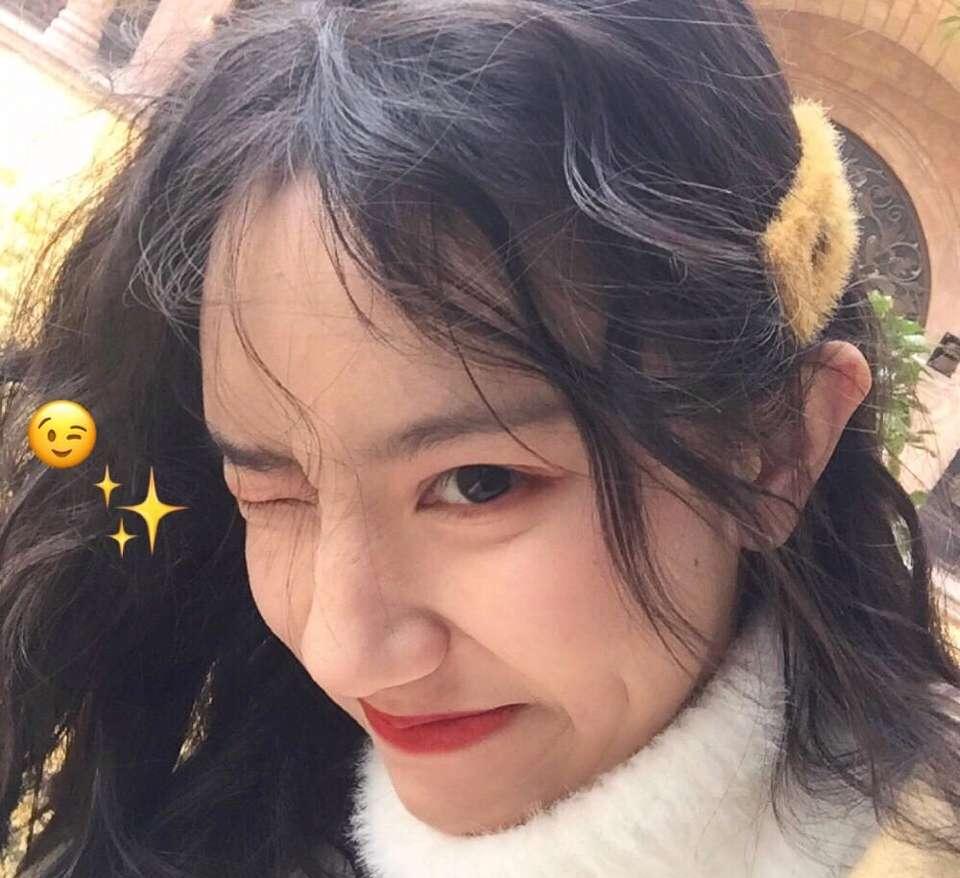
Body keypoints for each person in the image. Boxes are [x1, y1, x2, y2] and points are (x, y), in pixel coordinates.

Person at [1, 2, 959, 876]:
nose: (343, 652)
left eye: (480, 483)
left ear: (776, 448)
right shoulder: (217, 828)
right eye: (271, 492)